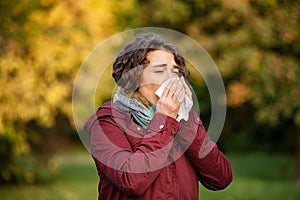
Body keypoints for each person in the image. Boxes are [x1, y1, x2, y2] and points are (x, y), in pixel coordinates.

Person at [84, 33, 232, 200]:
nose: (172, 77)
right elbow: (131, 181)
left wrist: (184, 118)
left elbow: (221, 178)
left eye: (176, 71)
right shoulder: (108, 121)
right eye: (160, 70)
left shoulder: (183, 119)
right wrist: (164, 119)